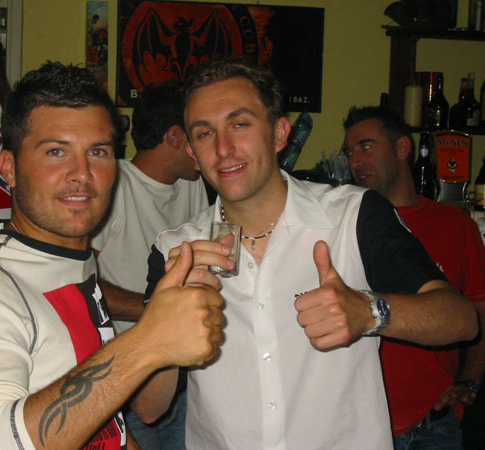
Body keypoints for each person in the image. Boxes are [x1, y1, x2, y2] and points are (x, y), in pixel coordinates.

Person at [132, 57, 478, 449]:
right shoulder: (175, 249)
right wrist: (167, 323)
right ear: (193, 152)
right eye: (204, 133)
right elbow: (149, 408)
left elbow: (461, 320)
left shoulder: (352, 216)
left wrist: (369, 311)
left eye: (240, 124)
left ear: (280, 134)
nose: (223, 148)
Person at [0, 62, 225, 450]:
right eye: (56, 151)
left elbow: (107, 427)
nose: (82, 173)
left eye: (97, 152)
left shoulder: (71, 264)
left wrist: (163, 331)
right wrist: (147, 340)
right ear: (9, 168)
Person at [343, 105, 485, 450]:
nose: (355, 161)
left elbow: (480, 312)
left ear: (402, 148)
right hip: (358, 422)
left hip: (434, 423)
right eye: (349, 152)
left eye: (366, 147)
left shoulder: (455, 225)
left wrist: (470, 383)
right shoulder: (342, 225)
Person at [91, 80, 208, 449]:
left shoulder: (191, 181)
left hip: (181, 371)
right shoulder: (112, 186)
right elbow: (83, 287)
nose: (210, 147)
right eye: (199, 134)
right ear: (174, 137)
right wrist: (159, 312)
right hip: (125, 375)